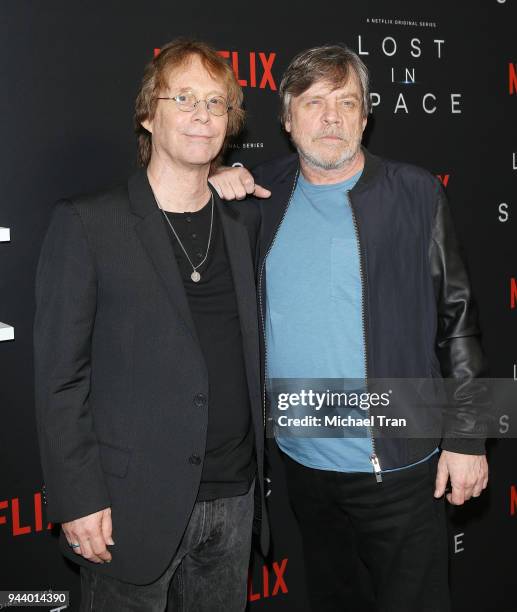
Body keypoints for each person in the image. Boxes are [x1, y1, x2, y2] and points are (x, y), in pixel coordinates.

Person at [209, 44, 488, 612]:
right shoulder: (260, 193)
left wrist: (465, 438)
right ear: (287, 120)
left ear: (365, 117)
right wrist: (211, 182)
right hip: (303, 467)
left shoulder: (415, 193)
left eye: (347, 102)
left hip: (401, 465)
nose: (331, 118)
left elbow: (458, 318)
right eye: (313, 103)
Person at [34, 38, 268, 612]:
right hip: (127, 506)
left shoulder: (243, 219)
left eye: (217, 103)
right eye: (183, 97)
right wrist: (77, 496)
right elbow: (59, 378)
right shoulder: (88, 223)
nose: (201, 115)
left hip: (235, 500)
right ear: (148, 113)